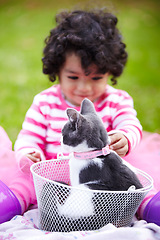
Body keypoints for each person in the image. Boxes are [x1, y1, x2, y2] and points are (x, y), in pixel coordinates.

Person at [1, 8, 159, 225]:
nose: (84, 87)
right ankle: (11, 201)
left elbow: (130, 123)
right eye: (73, 77)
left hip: (102, 181)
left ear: (111, 72)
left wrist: (124, 136)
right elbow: (29, 136)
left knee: (132, 181)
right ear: (57, 69)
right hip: (50, 178)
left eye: (96, 78)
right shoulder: (45, 102)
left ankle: (150, 205)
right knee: (24, 181)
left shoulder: (116, 101)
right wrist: (28, 152)